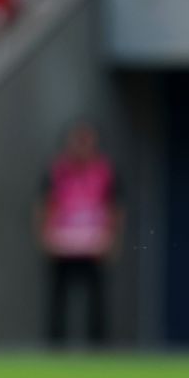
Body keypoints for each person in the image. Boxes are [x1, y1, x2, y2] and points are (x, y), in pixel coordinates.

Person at [36, 122, 121, 346]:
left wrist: (112, 239)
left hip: (93, 246)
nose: (82, 146)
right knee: (58, 300)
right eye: (78, 140)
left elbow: (114, 207)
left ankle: (98, 349)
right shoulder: (57, 170)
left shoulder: (104, 170)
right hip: (63, 245)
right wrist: (45, 235)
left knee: (96, 301)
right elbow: (45, 204)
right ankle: (56, 347)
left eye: (86, 140)